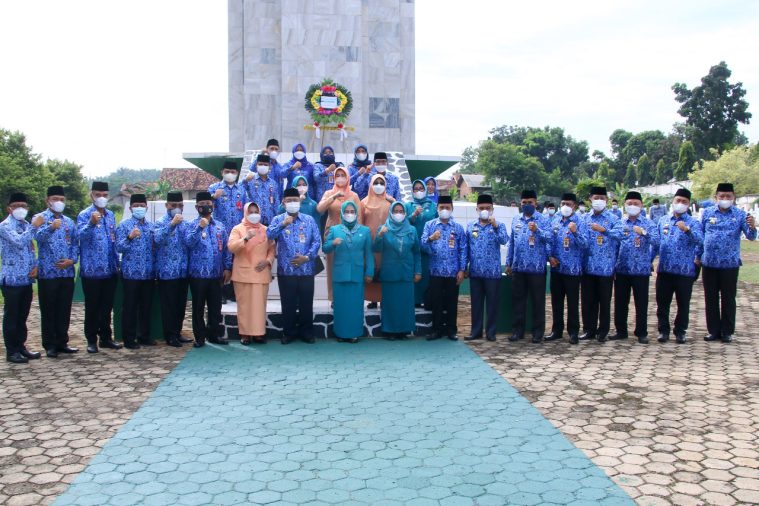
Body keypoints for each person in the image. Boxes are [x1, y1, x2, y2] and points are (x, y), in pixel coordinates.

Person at [701, 183, 757, 343]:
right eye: (722, 196)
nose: (725, 199)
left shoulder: (740, 215)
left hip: (730, 264)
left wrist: (752, 227)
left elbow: (751, 236)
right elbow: (701, 235)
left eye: (728, 196)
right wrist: (698, 257)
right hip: (709, 263)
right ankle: (713, 330)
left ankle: (727, 331)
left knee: (728, 298)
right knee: (710, 298)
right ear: (716, 197)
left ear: (734, 198)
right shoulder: (707, 213)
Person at [267, 187, 322, 344]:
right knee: (288, 303)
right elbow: (269, 235)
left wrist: (307, 257)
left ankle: (307, 333)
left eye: (295, 200)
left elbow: (316, 240)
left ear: (300, 201)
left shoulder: (309, 220)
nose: (292, 203)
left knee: (306, 303)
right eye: (289, 200)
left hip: (306, 269)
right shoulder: (278, 219)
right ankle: (289, 333)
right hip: (286, 270)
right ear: (283, 203)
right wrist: (283, 224)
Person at [32, 186, 79, 357]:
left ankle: (62, 342)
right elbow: (36, 237)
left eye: (61, 199)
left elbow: (75, 243)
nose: (59, 202)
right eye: (55, 199)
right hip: (48, 272)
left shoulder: (68, 221)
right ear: (48, 201)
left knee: (64, 309)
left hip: (66, 273)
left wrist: (72, 260)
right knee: (49, 309)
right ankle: (50, 345)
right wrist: (51, 227)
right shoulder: (40, 218)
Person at [77, 181, 122, 353]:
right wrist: (90, 223)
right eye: (98, 195)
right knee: (92, 307)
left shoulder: (110, 215)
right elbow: (79, 236)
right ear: (91, 195)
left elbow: (113, 239)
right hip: (92, 271)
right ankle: (91, 339)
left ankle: (105, 338)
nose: (101, 198)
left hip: (110, 269)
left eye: (104, 195)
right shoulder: (84, 215)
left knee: (106, 307)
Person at [610, 191, 659, 344]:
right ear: (625, 205)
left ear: (641, 205)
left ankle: (641, 332)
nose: (632, 206)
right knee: (620, 302)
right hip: (622, 269)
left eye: (636, 204)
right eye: (629, 203)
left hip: (641, 270)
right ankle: (621, 330)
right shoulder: (620, 223)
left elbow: (657, 242)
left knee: (641, 302)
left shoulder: (648, 223)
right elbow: (614, 243)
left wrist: (643, 233)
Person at [656, 188, 703, 344]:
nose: (680, 204)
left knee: (683, 303)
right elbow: (656, 244)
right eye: (678, 201)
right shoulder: (663, 220)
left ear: (689, 204)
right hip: (665, 269)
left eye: (684, 202)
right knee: (662, 302)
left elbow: (701, 241)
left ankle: (680, 331)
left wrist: (688, 230)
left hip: (684, 271)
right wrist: (648, 260)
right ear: (673, 201)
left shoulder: (693, 222)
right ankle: (663, 330)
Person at [186, 192, 232, 347]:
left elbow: (226, 249)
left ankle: (214, 335)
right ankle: (199, 337)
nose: (206, 206)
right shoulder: (191, 225)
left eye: (209, 203)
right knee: (198, 307)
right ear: (197, 207)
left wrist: (227, 267)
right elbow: (189, 243)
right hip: (197, 274)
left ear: (213, 205)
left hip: (216, 274)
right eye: (202, 203)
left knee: (215, 307)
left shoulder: (220, 226)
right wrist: (200, 228)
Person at [323, 201, 374, 342]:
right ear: (342, 213)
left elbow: (369, 253)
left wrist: (369, 272)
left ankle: (354, 333)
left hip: (357, 274)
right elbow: (325, 248)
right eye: (347, 211)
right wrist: (332, 243)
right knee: (341, 306)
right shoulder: (335, 230)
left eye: (352, 211)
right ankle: (340, 333)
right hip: (340, 274)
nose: (349, 214)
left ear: (356, 213)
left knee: (355, 305)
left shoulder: (365, 231)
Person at [506, 190, 551, 343]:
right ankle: (517, 331)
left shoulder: (543, 219)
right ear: (520, 203)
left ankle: (538, 332)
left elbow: (550, 238)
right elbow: (512, 242)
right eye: (524, 202)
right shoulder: (516, 219)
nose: (527, 205)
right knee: (518, 301)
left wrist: (536, 230)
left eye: (530, 202)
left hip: (537, 268)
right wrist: (508, 262)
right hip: (518, 267)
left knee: (538, 301)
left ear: (536, 203)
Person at [1, 192, 40, 364]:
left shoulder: (26, 225)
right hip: (11, 279)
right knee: (12, 316)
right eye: (16, 206)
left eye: (23, 206)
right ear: (9, 208)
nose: (20, 209)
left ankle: (21, 346)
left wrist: (35, 267)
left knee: (22, 316)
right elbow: (18, 242)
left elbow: (30, 249)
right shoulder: (5, 226)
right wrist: (34, 226)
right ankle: (11, 351)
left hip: (25, 279)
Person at [228, 202, 275, 345]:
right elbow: (231, 247)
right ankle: (245, 334)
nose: (254, 214)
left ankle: (259, 333)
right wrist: (246, 238)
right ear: (245, 213)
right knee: (244, 306)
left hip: (260, 273)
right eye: (251, 212)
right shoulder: (238, 229)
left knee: (259, 306)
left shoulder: (267, 230)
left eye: (256, 211)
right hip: (243, 274)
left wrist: (267, 261)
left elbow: (272, 249)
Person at [421, 196, 467, 340]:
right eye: (442, 207)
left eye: (447, 207)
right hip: (435, 270)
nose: (444, 210)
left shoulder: (458, 228)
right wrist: (430, 239)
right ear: (437, 209)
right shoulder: (430, 225)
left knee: (452, 301)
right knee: (437, 302)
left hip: (453, 272)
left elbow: (463, 250)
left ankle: (452, 330)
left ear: (452, 209)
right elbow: (421, 245)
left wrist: (462, 270)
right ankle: (436, 330)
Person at [374, 202, 421, 339]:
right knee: (390, 303)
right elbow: (376, 249)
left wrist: (418, 271)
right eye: (396, 211)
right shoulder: (383, 228)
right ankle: (389, 331)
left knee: (405, 302)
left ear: (405, 213)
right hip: (390, 272)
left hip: (407, 272)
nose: (398, 213)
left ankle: (404, 329)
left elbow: (417, 252)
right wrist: (380, 236)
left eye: (401, 211)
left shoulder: (412, 230)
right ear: (390, 212)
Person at [465, 194, 508, 342]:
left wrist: (495, 226)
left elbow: (504, 240)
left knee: (492, 304)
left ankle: (491, 332)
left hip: (492, 273)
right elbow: (466, 248)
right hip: (475, 272)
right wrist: (465, 267)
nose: (484, 210)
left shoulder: (499, 225)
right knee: (476, 304)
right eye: (482, 208)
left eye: (487, 208)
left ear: (492, 209)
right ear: (477, 209)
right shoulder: (471, 226)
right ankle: (476, 331)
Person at [580, 186, 620, 343]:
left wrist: (604, 230)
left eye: (602, 198)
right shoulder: (584, 218)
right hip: (588, 266)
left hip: (605, 267)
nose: (599, 201)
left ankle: (603, 330)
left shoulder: (613, 218)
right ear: (590, 199)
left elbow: (619, 236)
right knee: (588, 300)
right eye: (596, 198)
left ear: (607, 201)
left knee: (604, 300)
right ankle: (588, 329)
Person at [116, 194, 156, 349]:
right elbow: (119, 247)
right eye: (136, 205)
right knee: (130, 307)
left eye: (142, 205)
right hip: (131, 273)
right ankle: (129, 338)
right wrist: (129, 237)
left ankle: (144, 336)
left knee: (146, 307)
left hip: (148, 273)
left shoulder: (151, 226)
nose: (139, 208)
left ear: (146, 207)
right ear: (130, 207)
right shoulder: (125, 225)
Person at [546, 193, 587, 345]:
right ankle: (556, 330)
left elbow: (585, 244)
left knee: (572, 302)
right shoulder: (555, 220)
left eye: (568, 204)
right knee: (556, 301)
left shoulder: (580, 221)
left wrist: (575, 232)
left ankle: (573, 332)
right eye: (563, 203)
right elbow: (549, 241)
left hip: (573, 269)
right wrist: (549, 256)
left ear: (574, 206)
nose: (565, 206)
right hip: (557, 268)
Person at [153, 191, 192, 347]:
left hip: (182, 271)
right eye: (173, 205)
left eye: (179, 206)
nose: (177, 208)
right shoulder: (160, 222)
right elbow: (157, 239)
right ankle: (170, 335)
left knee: (180, 305)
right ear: (167, 206)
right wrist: (171, 225)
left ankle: (177, 332)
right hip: (167, 272)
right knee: (168, 305)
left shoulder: (186, 224)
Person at [317, 166, 361, 301]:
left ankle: (347, 294)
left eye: (343, 175)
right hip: (332, 232)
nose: (340, 178)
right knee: (332, 265)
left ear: (347, 177)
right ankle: (333, 297)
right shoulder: (328, 193)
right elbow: (320, 209)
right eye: (338, 175)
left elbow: (358, 216)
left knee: (348, 263)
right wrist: (334, 196)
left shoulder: (353, 195)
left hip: (350, 233)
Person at [209, 160, 247, 303]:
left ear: (237, 173)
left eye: (233, 172)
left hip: (237, 232)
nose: (230, 174)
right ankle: (221, 293)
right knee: (220, 259)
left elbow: (246, 209)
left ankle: (232, 291)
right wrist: (214, 197)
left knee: (235, 260)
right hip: (220, 231)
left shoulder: (241, 190)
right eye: (227, 171)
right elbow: (204, 207)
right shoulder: (214, 188)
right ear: (222, 172)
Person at [360, 174, 393, 308]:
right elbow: (360, 222)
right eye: (376, 182)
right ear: (371, 185)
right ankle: (372, 300)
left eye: (381, 183)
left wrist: (393, 200)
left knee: (384, 269)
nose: (378, 185)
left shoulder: (389, 202)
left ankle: (383, 298)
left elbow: (398, 217)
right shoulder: (363, 202)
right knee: (371, 268)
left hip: (386, 241)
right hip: (369, 241)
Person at [404, 180, 438, 307]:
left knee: (427, 272)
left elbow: (438, 222)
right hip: (412, 244)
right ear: (412, 191)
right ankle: (415, 301)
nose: (419, 191)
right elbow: (403, 223)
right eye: (416, 189)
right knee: (414, 272)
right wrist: (413, 215)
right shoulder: (408, 205)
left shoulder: (433, 205)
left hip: (429, 245)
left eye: (421, 188)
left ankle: (427, 300)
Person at [243, 154, 280, 226]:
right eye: (260, 164)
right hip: (253, 219)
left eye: (265, 165)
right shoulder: (250, 179)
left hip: (270, 220)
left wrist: (276, 218)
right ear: (256, 165)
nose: (263, 166)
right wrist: (245, 181)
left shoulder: (273, 183)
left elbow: (276, 202)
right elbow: (240, 191)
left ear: (269, 166)